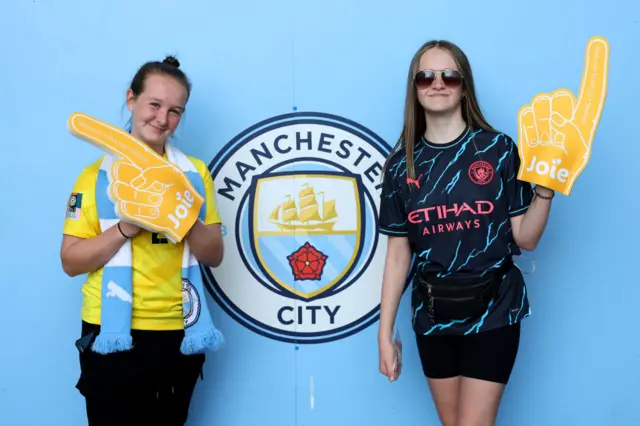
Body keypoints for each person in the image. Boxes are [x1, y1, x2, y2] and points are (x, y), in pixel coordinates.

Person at [376, 40, 554, 426]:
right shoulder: (399, 166)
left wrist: (546, 190)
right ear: (414, 87)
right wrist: (384, 332)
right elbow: (397, 255)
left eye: (449, 75)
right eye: (425, 76)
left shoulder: (498, 149)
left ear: (464, 85)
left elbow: (526, 238)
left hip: (495, 308)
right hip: (433, 311)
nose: (437, 83)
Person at [61, 56, 224, 426]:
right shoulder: (94, 177)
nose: (163, 119)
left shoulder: (195, 175)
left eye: (175, 111)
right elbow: (71, 261)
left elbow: (214, 254)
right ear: (131, 100)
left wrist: (177, 212)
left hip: (178, 334)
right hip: (110, 334)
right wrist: (126, 227)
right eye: (154, 104)